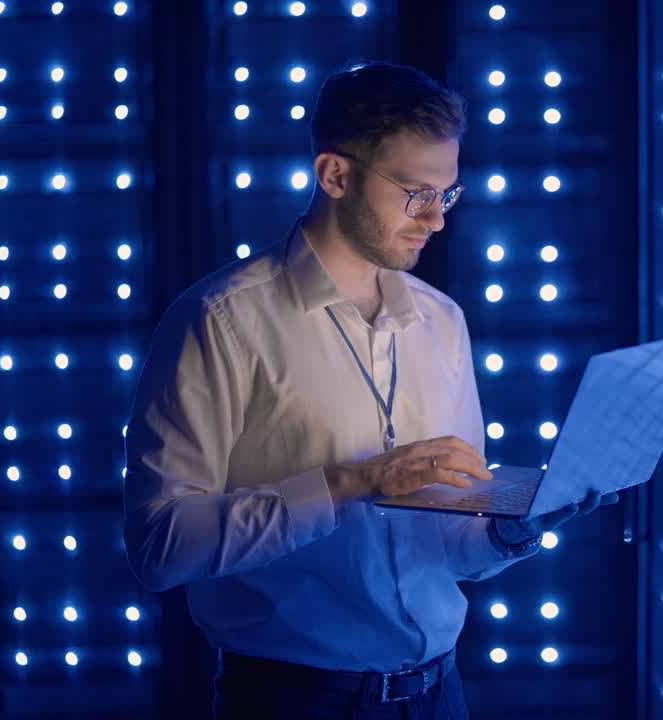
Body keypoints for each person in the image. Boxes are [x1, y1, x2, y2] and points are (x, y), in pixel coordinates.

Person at [122, 61, 617, 719]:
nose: (437, 220)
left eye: (447, 194)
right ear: (335, 175)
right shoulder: (220, 320)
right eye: (416, 193)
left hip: (440, 697)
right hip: (294, 703)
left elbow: (449, 543)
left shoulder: (441, 320)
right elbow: (158, 549)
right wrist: (349, 482)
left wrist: (511, 528)